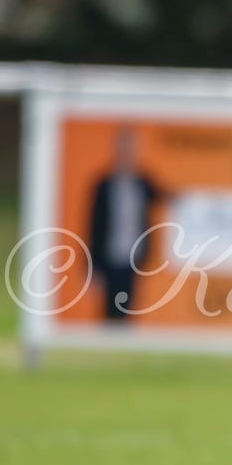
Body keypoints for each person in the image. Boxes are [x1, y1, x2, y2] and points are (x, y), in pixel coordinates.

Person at [87, 126, 162, 321]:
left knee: (128, 309)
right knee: (108, 311)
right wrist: (91, 264)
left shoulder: (142, 182)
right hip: (109, 256)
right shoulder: (104, 185)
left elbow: (162, 196)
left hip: (133, 258)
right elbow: (94, 225)